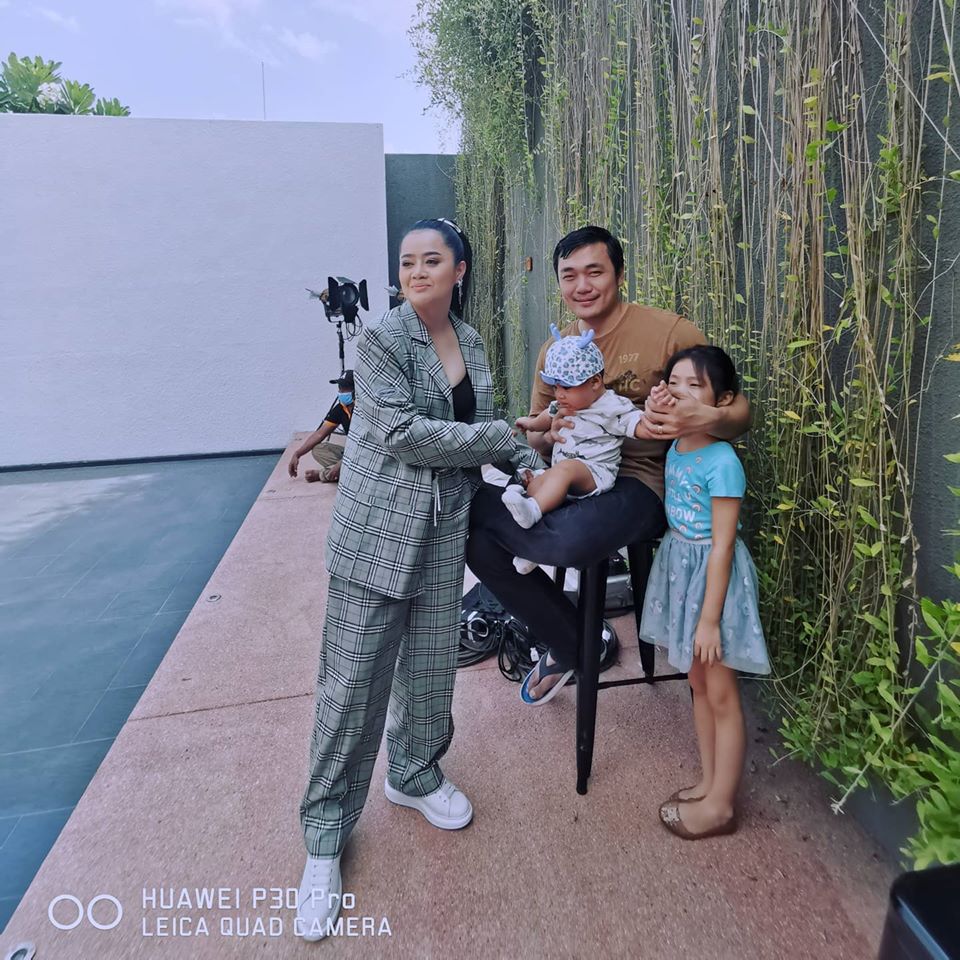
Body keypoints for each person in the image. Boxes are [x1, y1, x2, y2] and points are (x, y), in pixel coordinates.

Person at [296, 218, 523, 941]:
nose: (417, 273)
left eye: (432, 261)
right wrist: (504, 437)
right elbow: (403, 435)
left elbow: (489, 425)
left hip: (441, 538)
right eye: (406, 263)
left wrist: (532, 460)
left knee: (428, 674)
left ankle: (415, 773)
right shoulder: (382, 341)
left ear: (459, 269)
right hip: (375, 538)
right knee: (352, 688)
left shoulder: (473, 342)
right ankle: (324, 837)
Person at [466, 225, 752, 704]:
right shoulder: (555, 351)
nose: (582, 285)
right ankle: (573, 642)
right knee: (477, 545)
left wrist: (708, 417)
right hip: (574, 476)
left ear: (619, 274)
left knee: (566, 540)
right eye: (569, 275)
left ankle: (566, 625)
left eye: (594, 272)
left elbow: (740, 410)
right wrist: (546, 434)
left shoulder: (669, 332)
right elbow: (537, 436)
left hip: (643, 482)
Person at [641, 345, 770, 839]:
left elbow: (723, 546)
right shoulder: (677, 446)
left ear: (723, 400)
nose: (680, 392)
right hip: (683, 572)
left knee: (720, 691)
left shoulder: (722, 460)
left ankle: (721, 806)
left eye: (694, 385)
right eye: (673, 382)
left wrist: (710, 619)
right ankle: (709, 781)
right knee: (697, 680)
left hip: (714, 582)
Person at [287, 370, 355, 484]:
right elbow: (320, 434)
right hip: (351, 452)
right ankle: (343, 471)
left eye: (345, 388)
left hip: (365, 452)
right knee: (319, 449)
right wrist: (297, 454)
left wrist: (341, 463)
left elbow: (367, 443)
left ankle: (323, 474)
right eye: (340, 388)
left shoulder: (364, 409)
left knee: (355, 464)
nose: (341, 392)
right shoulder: (341, 408)